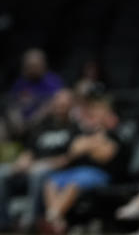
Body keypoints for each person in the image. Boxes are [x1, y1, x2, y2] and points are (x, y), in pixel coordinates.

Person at [0, 87, 79, 232]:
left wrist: (42, 164)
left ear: (71, 106)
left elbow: (70, 158)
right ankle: (2, 222)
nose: (59, 108)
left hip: (55, 171)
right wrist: (22, 161)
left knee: (37, 173)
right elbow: (30, 150)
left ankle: (30, 222)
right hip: (33, 166)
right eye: (57, 104)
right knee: (1, 173)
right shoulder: (43, 126)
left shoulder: (75, 128)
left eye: (63, 105)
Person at [39, 93, 126, 234]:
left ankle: (52, 218)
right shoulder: (83, 131)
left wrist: (88, 145)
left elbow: (104, 156)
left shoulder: (113, 134)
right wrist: (94, 144)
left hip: (100, 173)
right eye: (93, 111)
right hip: (78, 170)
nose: (95, 115)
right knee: (51, 181)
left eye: (99, 111)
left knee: (74, 183)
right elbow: (74, 150)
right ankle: (57, 221)